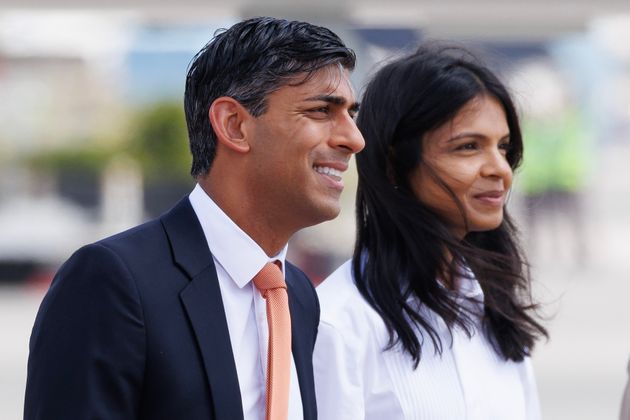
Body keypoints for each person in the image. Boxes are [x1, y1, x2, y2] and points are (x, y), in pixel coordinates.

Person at [25, 17, 364, 420]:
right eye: (322, 110)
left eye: (351, 114)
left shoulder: (300, 296)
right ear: (234, 125)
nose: (353, 139)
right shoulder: (113, 281)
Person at [313, 43, 548, 419]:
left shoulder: (490, 308)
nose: (500, 169)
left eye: (503, 148)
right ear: (394, 163)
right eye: (468, 147)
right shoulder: (340, 324)